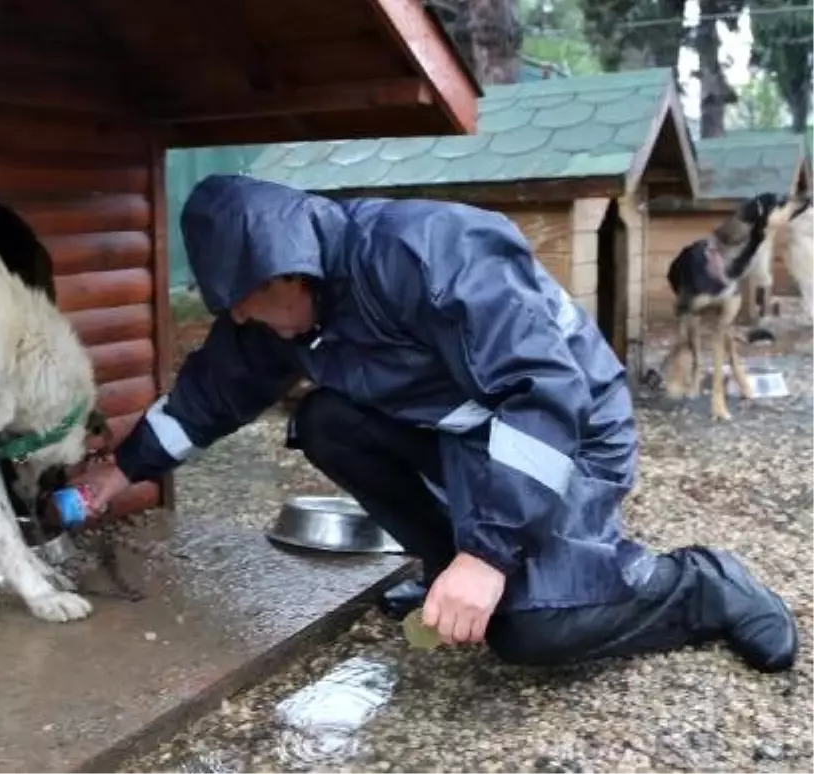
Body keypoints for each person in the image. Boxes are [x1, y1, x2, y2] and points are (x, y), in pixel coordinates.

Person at [69, 174, 798, 673]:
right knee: (326, 421)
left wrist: (489, 557)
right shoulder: (279, 314)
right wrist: (119, 470)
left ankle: (700, 585)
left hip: (568, 434)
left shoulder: (428, 251)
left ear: (289, 273)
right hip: (469, 433)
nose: (238, 321)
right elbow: (209, 396)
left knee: (531, 628)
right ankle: (447, 568)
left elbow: (541, 392)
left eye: (246, 304)